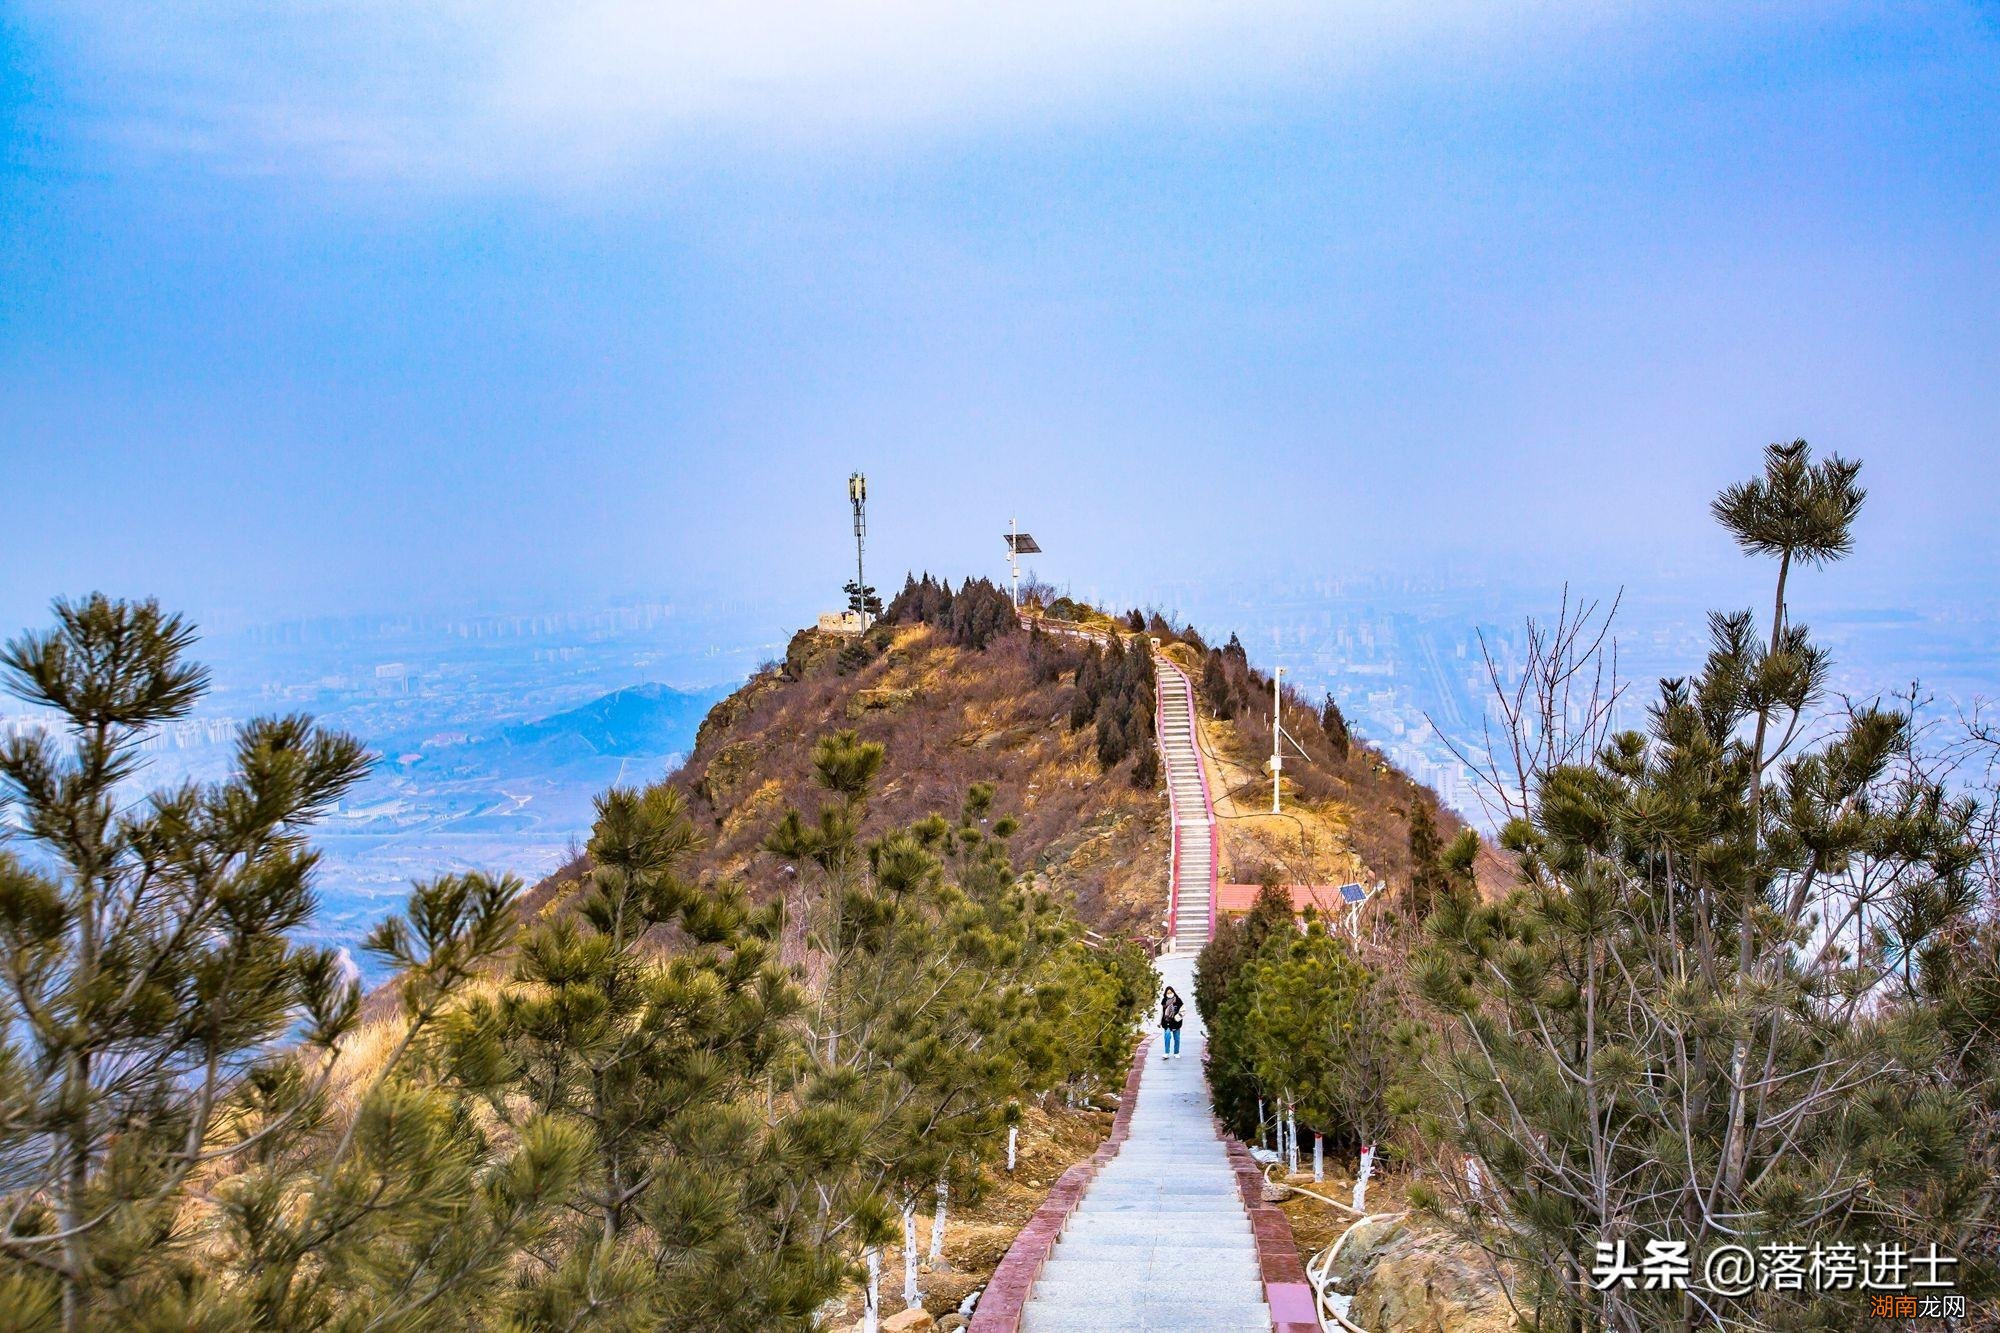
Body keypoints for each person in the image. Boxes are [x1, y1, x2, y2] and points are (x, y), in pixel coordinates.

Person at [1159, 985, 1185, 1059]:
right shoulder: (1164, 1001)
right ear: (1166, 993)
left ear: (1173, 992)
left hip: (1176, 1023)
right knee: (1167, 1036)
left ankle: (1176, 1052)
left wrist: (1177, 1017)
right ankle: (1166, 1053)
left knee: (1176, 1038)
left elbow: (1183, 1011)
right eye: (1168, 993)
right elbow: (1162, 1012)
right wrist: (1159, 1022)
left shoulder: (1178, 1001)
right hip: (1166, 1022)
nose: (1169, 994)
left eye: (1171, 992)